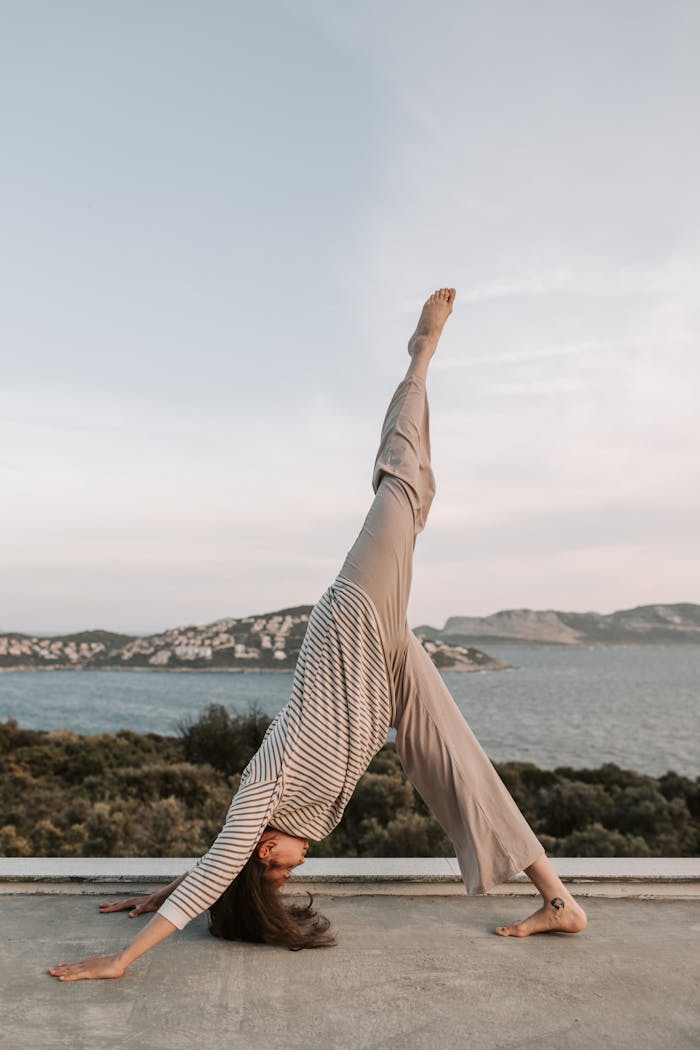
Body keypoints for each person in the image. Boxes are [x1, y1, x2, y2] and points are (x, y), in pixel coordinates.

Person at [49, 288, 587, 983]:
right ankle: (560, 901)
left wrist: (122, 959)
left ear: (264, 848)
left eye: (276, 877)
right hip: (383, 669)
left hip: (352, 624)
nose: (293, 872)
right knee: (458, 763)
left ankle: (420, 357)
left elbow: (220, 865)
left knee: (403, 487)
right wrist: (167, 892)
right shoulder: (300, 823)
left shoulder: (264, 793)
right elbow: (220, 872)